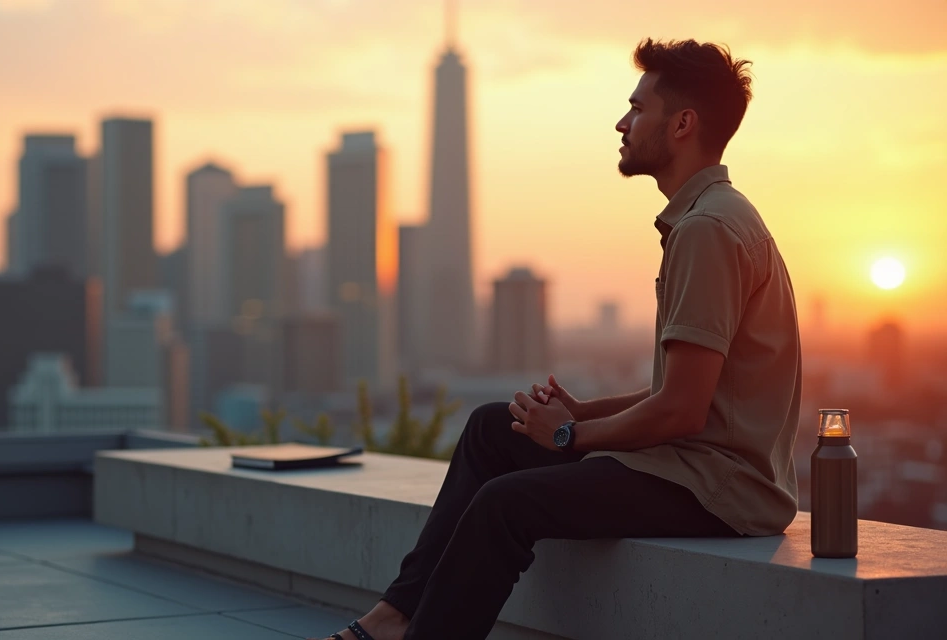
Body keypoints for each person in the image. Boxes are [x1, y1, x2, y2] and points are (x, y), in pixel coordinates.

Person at [313, 37, 802, 640]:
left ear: (682, 123)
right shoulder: (711, 216)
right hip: (692, 467)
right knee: (494, 427)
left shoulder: (707, 229)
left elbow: (682, 409)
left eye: (637, 108)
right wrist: (580, 412)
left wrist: (571, 435)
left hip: (718, 490)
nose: (621, 123)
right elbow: (677, 390)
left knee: (504, 504)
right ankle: (394, 617)